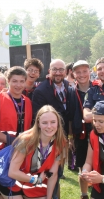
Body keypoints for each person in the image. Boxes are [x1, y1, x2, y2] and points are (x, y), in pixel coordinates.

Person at [0, 66, 33, 199]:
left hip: (19, 150)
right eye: (14, 81)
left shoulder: (27, 102)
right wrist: (11, 140)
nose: (18, 85)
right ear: (8, 81)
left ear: (25, 82)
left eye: (21, 81)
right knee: (4, 185)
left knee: (1, 189)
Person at [3, 105, 67, 199]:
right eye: (44, 123)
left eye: (53, 122)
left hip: (33, 186)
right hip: (12, 183)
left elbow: (53, 175)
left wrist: (49, 198)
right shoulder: (26, 140)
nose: (49, 126)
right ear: (38, 124)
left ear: (58, 123)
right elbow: (12, 172)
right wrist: (37, 180)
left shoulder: (60, 143)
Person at [32, 59, 70, 199]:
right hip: (47, 140)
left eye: (61, 69)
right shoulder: (41, 90)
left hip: (62, 138)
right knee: (46, 173)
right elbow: (37, 117)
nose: (58, 72)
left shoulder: (68, 86)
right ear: (49, 71)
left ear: (66, 72)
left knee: (57, 174)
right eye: (55, 69)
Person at [68, 60, 93, 199]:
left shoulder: (97, 88)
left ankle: (100, 191)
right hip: (80, 135)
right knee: (82, 165)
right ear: (73, 73)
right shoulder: (71, 91)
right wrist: (71, 137)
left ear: (90, 71)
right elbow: (70, 116)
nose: (82, 74)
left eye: (84, 71)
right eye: (78, 72)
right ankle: (84, 195)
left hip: (98, 133)